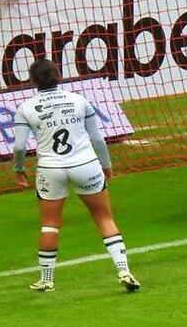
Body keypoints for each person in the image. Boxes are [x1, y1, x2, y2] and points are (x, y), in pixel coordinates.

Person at [12, 59, 142, 292]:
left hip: (51, 168)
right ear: (58, 76)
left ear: (32, 80)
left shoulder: (25, 108)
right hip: (86, 164)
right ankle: (123, 270)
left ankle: (47, 280)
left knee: (50, 225)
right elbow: (97, 139)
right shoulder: (79, 100)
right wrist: (106, 164)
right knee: (104, 218)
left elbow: (20, 146)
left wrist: (19, 169)